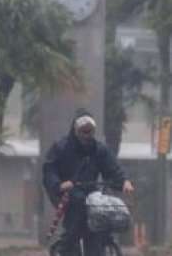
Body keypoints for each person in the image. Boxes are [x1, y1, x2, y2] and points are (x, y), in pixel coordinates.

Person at [43, 109, 135, 256]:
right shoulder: (61, 147)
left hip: (92, 194)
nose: (86, 135)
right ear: (75, 130)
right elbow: (50, 170)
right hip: (67, 194)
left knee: (100, 221)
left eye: (89, 131)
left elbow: (113, 168)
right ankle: (68, 249)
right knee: (76, 219)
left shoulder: (99, 149)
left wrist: (124, 181)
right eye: (83, 131)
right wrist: (59, 184)